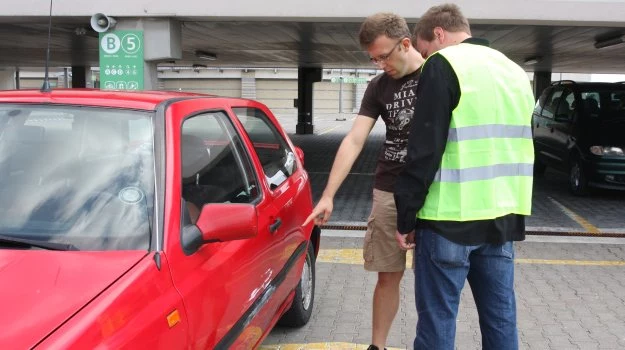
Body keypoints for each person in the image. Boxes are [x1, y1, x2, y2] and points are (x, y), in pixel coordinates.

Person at [393, 4, 535, 350]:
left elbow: (424, 149)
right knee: (501, 318)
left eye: (424, 50)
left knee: (439, 320)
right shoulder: (515, 71)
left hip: (448, 220)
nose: (425, 57)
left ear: (438, 34)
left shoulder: (444, 64)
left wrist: (405, 215)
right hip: (501, 220)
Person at [303, 12, 424, 350]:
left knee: (432, 280)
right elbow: (355, 139)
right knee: (387, 275)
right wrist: (328, 195)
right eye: (373, 58)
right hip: (389, 191)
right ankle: (377, 346)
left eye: (383, 56)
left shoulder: (435, 74)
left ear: (405, 43)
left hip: (434, 191)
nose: (378, 64)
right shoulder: (379, 86)